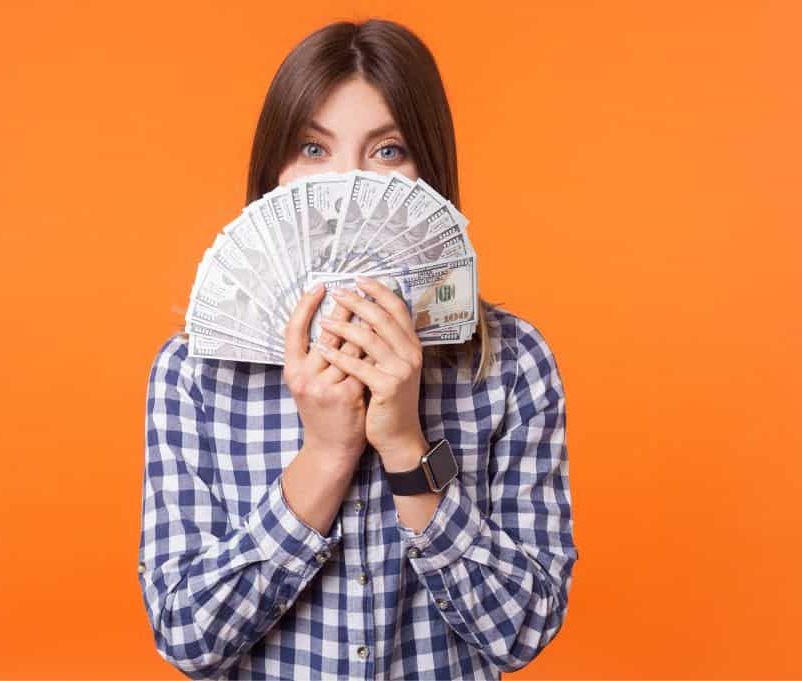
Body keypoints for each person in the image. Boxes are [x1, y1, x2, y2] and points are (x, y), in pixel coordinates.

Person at [137, 18, 579, 680]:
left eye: (388, 150)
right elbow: (187, 635)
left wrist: (406, 448)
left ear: (430, 171)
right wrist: (325, 454)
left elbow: (522, 630)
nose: (347, 187)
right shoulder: (194, 374)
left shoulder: (510, 363)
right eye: (314, 151)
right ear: (273, 175)